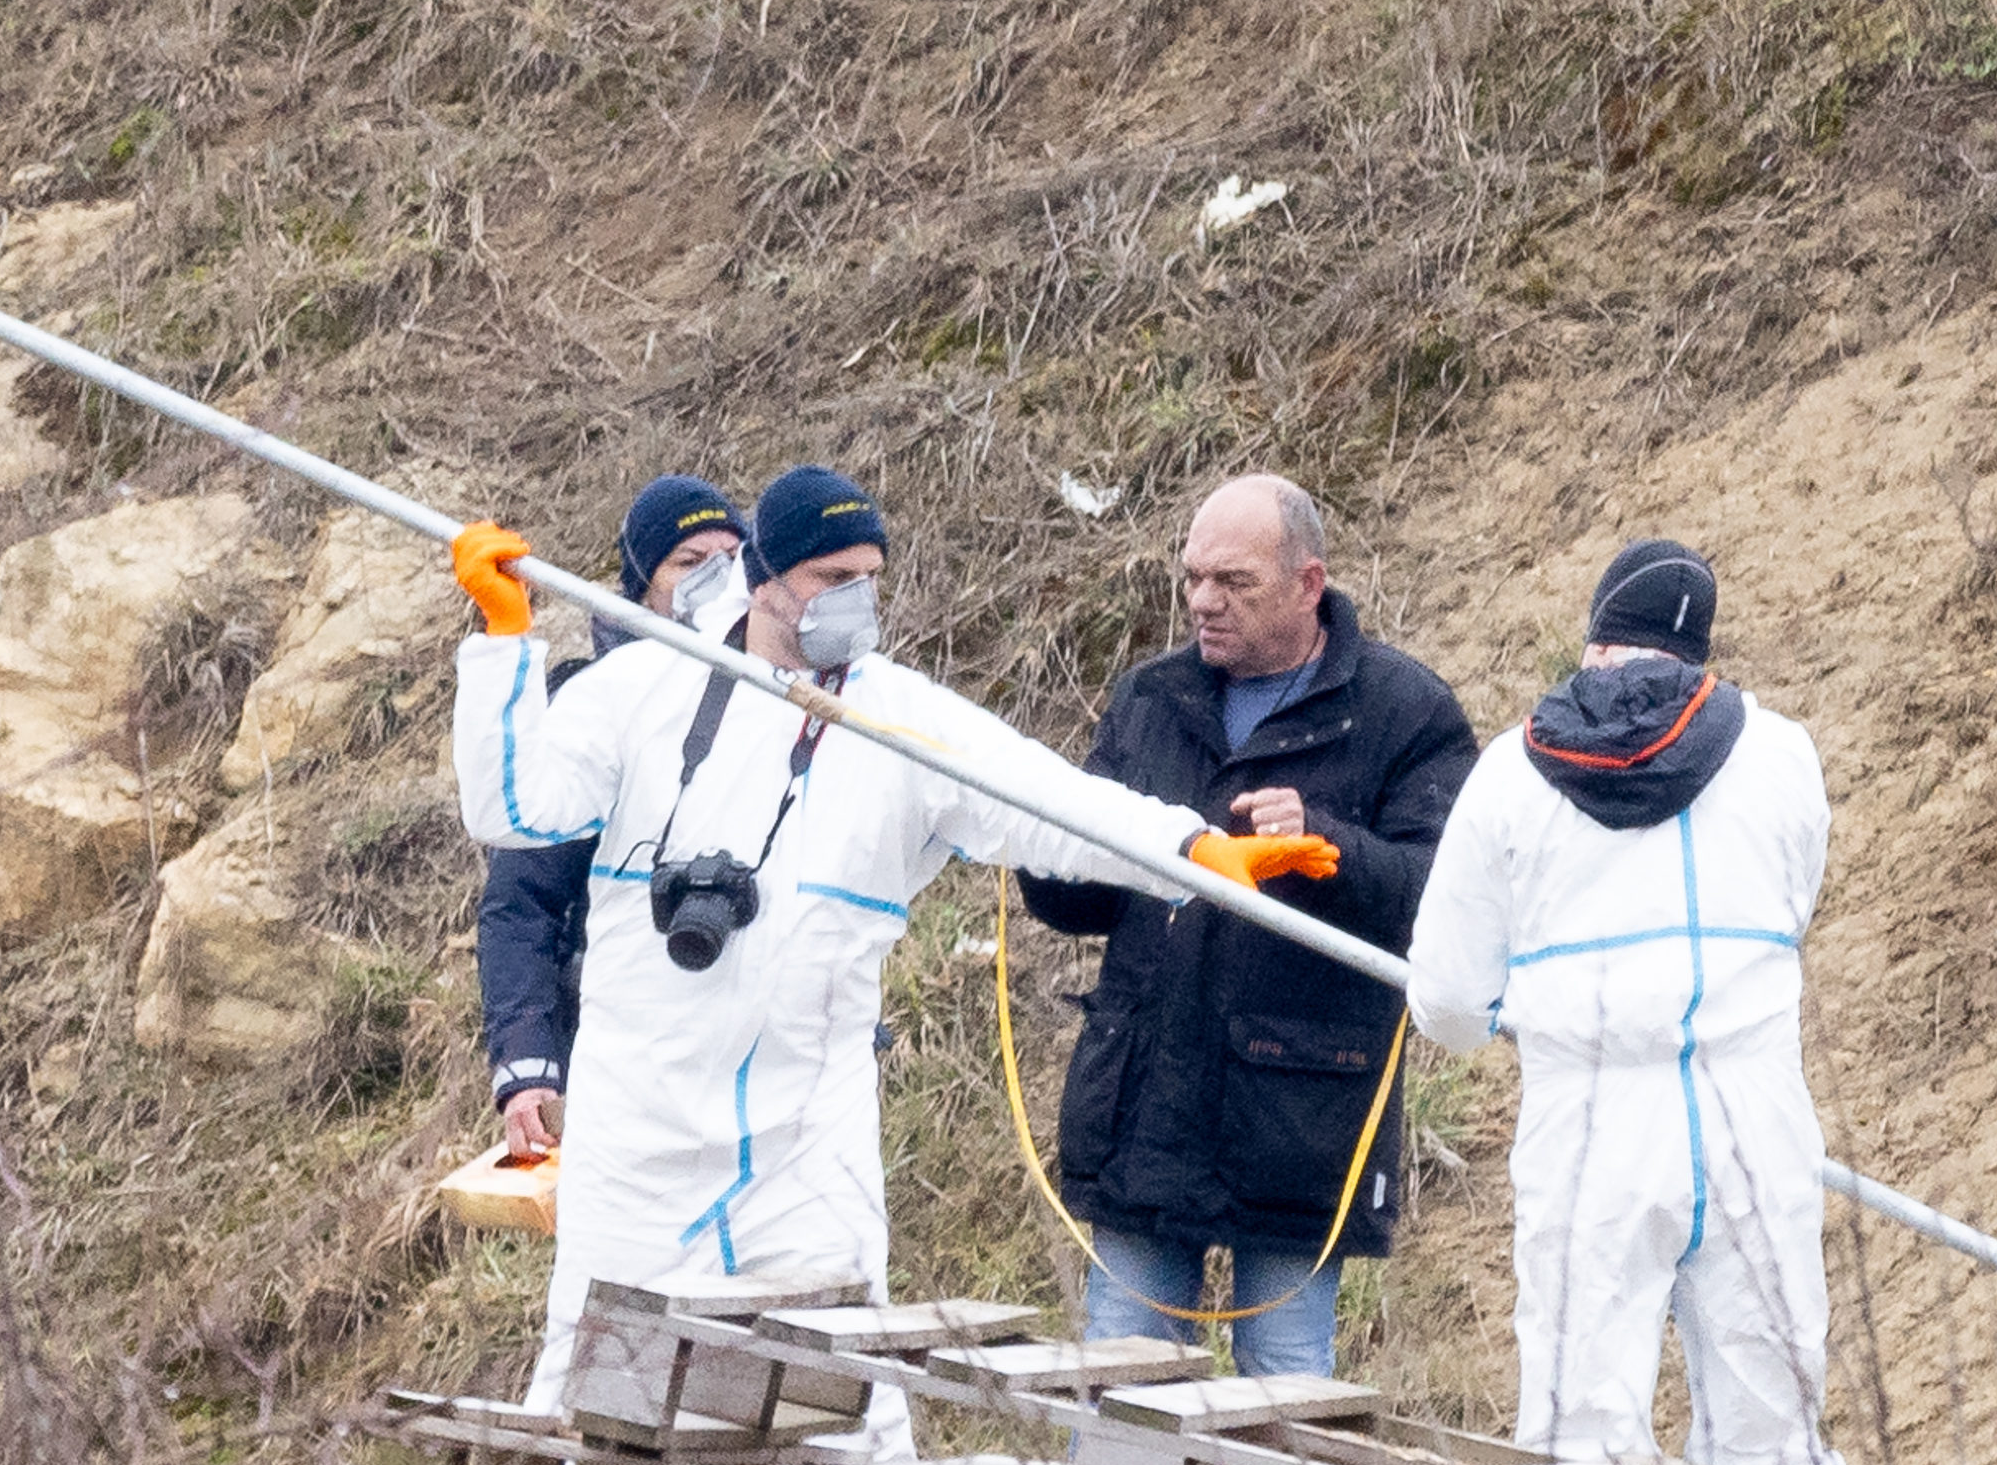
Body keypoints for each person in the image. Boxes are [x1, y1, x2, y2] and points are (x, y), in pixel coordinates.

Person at [447, 464, 1340, 1405]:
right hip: (640, 1131)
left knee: (846, 1396)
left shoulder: (900, 717)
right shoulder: (644, 687)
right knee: (595, 1384)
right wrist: (504, 643)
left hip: (807, 1134)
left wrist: (1194, 850)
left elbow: (1050, 803)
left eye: (870, 577)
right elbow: (513, 806)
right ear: (765, 581)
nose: (856, 601)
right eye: (833, 579)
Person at [1402, 538, 1852, 1465]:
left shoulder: (1506, 776)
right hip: (1749, 1105)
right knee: (1770, 1406)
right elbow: (1795, 901)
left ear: (1596, 641)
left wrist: (1498, 1019)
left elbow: (1442, 996)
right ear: (1699, 654)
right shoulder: (1780, 755)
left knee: (1577, 1426)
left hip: (1589, 1114)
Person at [1018, 473, 1476, 1377]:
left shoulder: (1404, 713)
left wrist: (1327, 848)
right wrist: (1039, 845)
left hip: (1304, 1119)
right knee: (1122, 1395)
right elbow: (1074, 904)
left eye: (1234, 582)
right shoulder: (1151, 698)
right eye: (1192, 577)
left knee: (1286, 1401)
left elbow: (1444, 898)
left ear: (1309, 583)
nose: (1202, 601)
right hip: (1143, 1108)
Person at [476, 475, 750, 1161]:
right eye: (689, 564)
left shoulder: (777, 703)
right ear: (640, 588)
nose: (716, 582)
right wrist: (527, 1065)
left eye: (732, 561)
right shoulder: (593, 712)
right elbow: (523, 902)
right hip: (621, 1049)